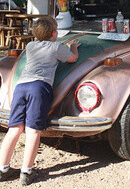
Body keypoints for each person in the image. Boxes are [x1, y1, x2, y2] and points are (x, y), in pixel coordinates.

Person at [0, 16, 81, 185]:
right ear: (54, 33)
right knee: (33, 130)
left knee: (14, 128)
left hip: (21, 87)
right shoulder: (56, 46)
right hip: (39, 88)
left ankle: (3, 168)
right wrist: (73, 47)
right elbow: (72, 58)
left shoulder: (30, 46)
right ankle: (27, 171)